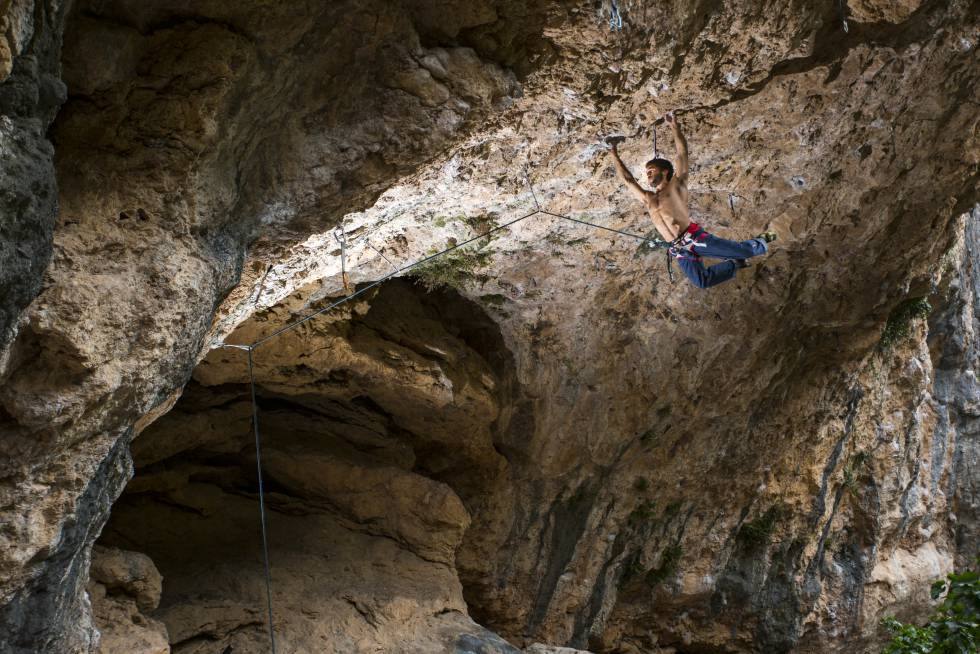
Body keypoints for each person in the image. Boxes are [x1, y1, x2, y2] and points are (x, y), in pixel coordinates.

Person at [608, 113, 776, 288]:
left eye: (651, 170)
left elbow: (682, 154)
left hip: (695, 239)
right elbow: (628, 180)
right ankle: (735, 263)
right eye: (646, 172)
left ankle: (765, 238)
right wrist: (613, 154)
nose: (648, 174)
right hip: (678, 248)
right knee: (702, 281)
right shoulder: (648, 198)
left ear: (665, 172)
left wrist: (674, 126)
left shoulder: (676, 186)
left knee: (745, 251)